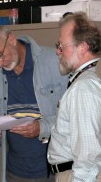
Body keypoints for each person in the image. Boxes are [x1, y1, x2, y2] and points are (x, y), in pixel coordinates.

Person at [0, 25, 68, 182]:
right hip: (15, 173)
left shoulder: (54, 61)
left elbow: (74, 118)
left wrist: (42, 127)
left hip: (54, 172)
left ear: (11, 39)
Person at [48, 12, 101, 181]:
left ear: (83, 47)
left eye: (62, 46)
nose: (58, 51)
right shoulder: (88, 79)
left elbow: (88, 155)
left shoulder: (83, 88)